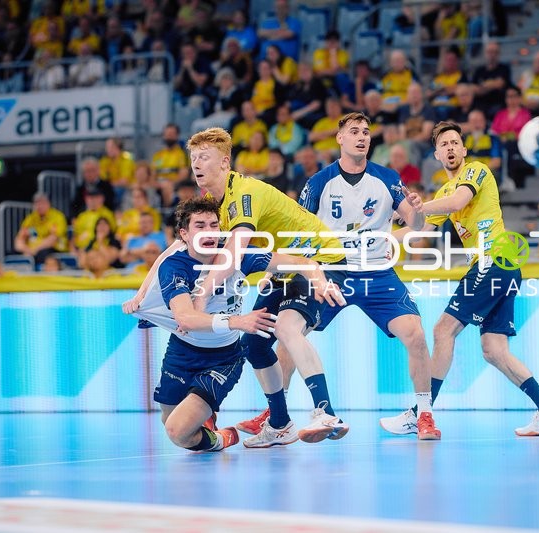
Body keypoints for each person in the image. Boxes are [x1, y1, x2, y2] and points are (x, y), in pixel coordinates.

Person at [251, 112, 441, 441]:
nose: (362, 136)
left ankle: (423, 413)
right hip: (331, 270)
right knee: (291, 332)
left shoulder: (387, 177)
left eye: (366, 132)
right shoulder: (319, 182)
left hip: (378, 273)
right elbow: (298, 228)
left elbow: (416, 224)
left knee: (416, 335)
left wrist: (418, 211)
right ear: (340, 138)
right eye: (354, 131)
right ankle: (275, 414)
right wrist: (284, 270)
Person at [384, 121, 539, 437]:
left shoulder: (477, 171)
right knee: (494, 350)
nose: (451, 148)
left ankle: (421, 412)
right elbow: (420, 229)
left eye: (456, 142)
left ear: (464, 149)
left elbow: (457, 203)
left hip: (494, 258)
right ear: (438, 154)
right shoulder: (443, 191)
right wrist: (377, 237)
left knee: (444, 330)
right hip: (501, 265)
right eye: (445, 144)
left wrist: (413, 207)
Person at [123, 197, 332, 451]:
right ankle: (208, 423)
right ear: (184, 234)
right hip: (182, 352)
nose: (209, 232)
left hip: (224, 358)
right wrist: (238, 321)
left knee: (176, 430)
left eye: (214, 225)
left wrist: (319, 279)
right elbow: (185, 318)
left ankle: (222, 438)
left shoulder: (236, 256)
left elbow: (301, 263)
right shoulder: (175, 266)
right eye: (200, 226)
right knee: (173, 425)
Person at [187, 127, 350, 445]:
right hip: (283, 269)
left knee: (288, 328)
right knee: (255, 342)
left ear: (224, 162)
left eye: (204, 157)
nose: (196, 164)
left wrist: (203, 291)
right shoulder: (211, 202)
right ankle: (279, 424)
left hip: (318, 259)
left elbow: (235, 253)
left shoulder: (243, 194)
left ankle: (325, 412)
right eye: (192, 158)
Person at [14, 193, 68, 268]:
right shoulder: (30, 219)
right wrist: (26, 249)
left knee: (42, 254)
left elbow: (52, 240)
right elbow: (19, 240)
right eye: (37, 203)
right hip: (32, 250)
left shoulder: (58, 217)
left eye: (42, 203)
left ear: (48, 203)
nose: (39, 206)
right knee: (14, 254)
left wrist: (35, 249)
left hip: (54, 249)